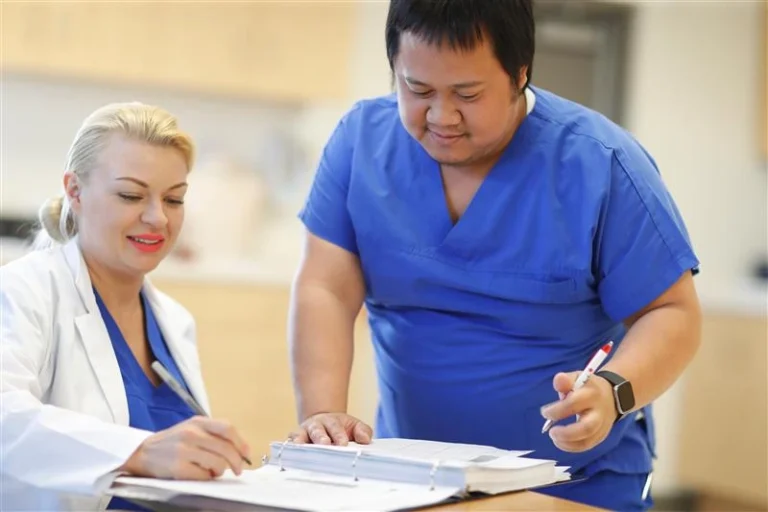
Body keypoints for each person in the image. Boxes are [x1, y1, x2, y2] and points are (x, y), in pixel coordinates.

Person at [287, 1, 702, 510]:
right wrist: (322, 414)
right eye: (417, 90)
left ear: (519, 74)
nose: (441, 116)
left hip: (577, 481)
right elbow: (325, 288)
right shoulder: (360, 144)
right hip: (415, 475)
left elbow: (672, 312)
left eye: (467, 94)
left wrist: (614, 392)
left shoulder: (602, 165)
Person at [0, 102, 252, 511]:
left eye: (174, 199)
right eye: (131, 195)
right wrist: (138, 452)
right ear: (74, 191)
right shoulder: (23, 292)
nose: (158, 218)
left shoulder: (174, 320)